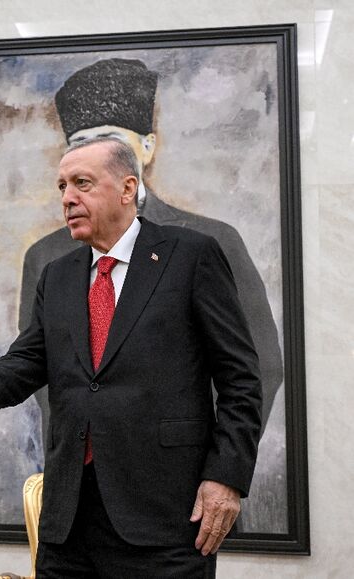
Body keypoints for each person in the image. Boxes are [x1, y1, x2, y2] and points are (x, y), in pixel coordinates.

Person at [0, 137, 262, 576]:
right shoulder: (58, 274)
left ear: (128, 188)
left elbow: (241, 379)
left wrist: (226, 478)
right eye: (62, 186)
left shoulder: (190, 256)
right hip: (68, 521)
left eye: (82, 183)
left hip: (165, 518)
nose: (68, 198)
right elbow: (30, 358)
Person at [21, 58, 282, 448]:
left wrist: (216, 466)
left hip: (180, 486)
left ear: (145, 148)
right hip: (81, 482)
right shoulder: (47, 258)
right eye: (80, 144)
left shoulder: (210, 242)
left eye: (108, 140)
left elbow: (256, 368)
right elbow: (39, 369)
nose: (70, 195)